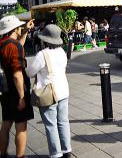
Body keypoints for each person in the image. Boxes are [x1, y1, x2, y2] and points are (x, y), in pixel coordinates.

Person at [26, 24, 72, 158]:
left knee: (51, 125)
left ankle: (56, 154)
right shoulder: (62, 52)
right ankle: (66, 150)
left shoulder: (42, 54)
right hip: (63, 90)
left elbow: (30, 72)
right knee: (63, 122)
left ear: (45, 40)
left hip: (49, 93)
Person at [0, 16, 35, 158]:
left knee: (6, 123)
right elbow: (17, 75)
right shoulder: (14, 46)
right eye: (19, 27)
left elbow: (16, 46)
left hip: (4, 90)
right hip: (16, 90)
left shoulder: (3, 43)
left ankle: (2, 153)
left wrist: (25, 31)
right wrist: (22, 97)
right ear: (14, 29)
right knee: (21, 125)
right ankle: (20, 156)